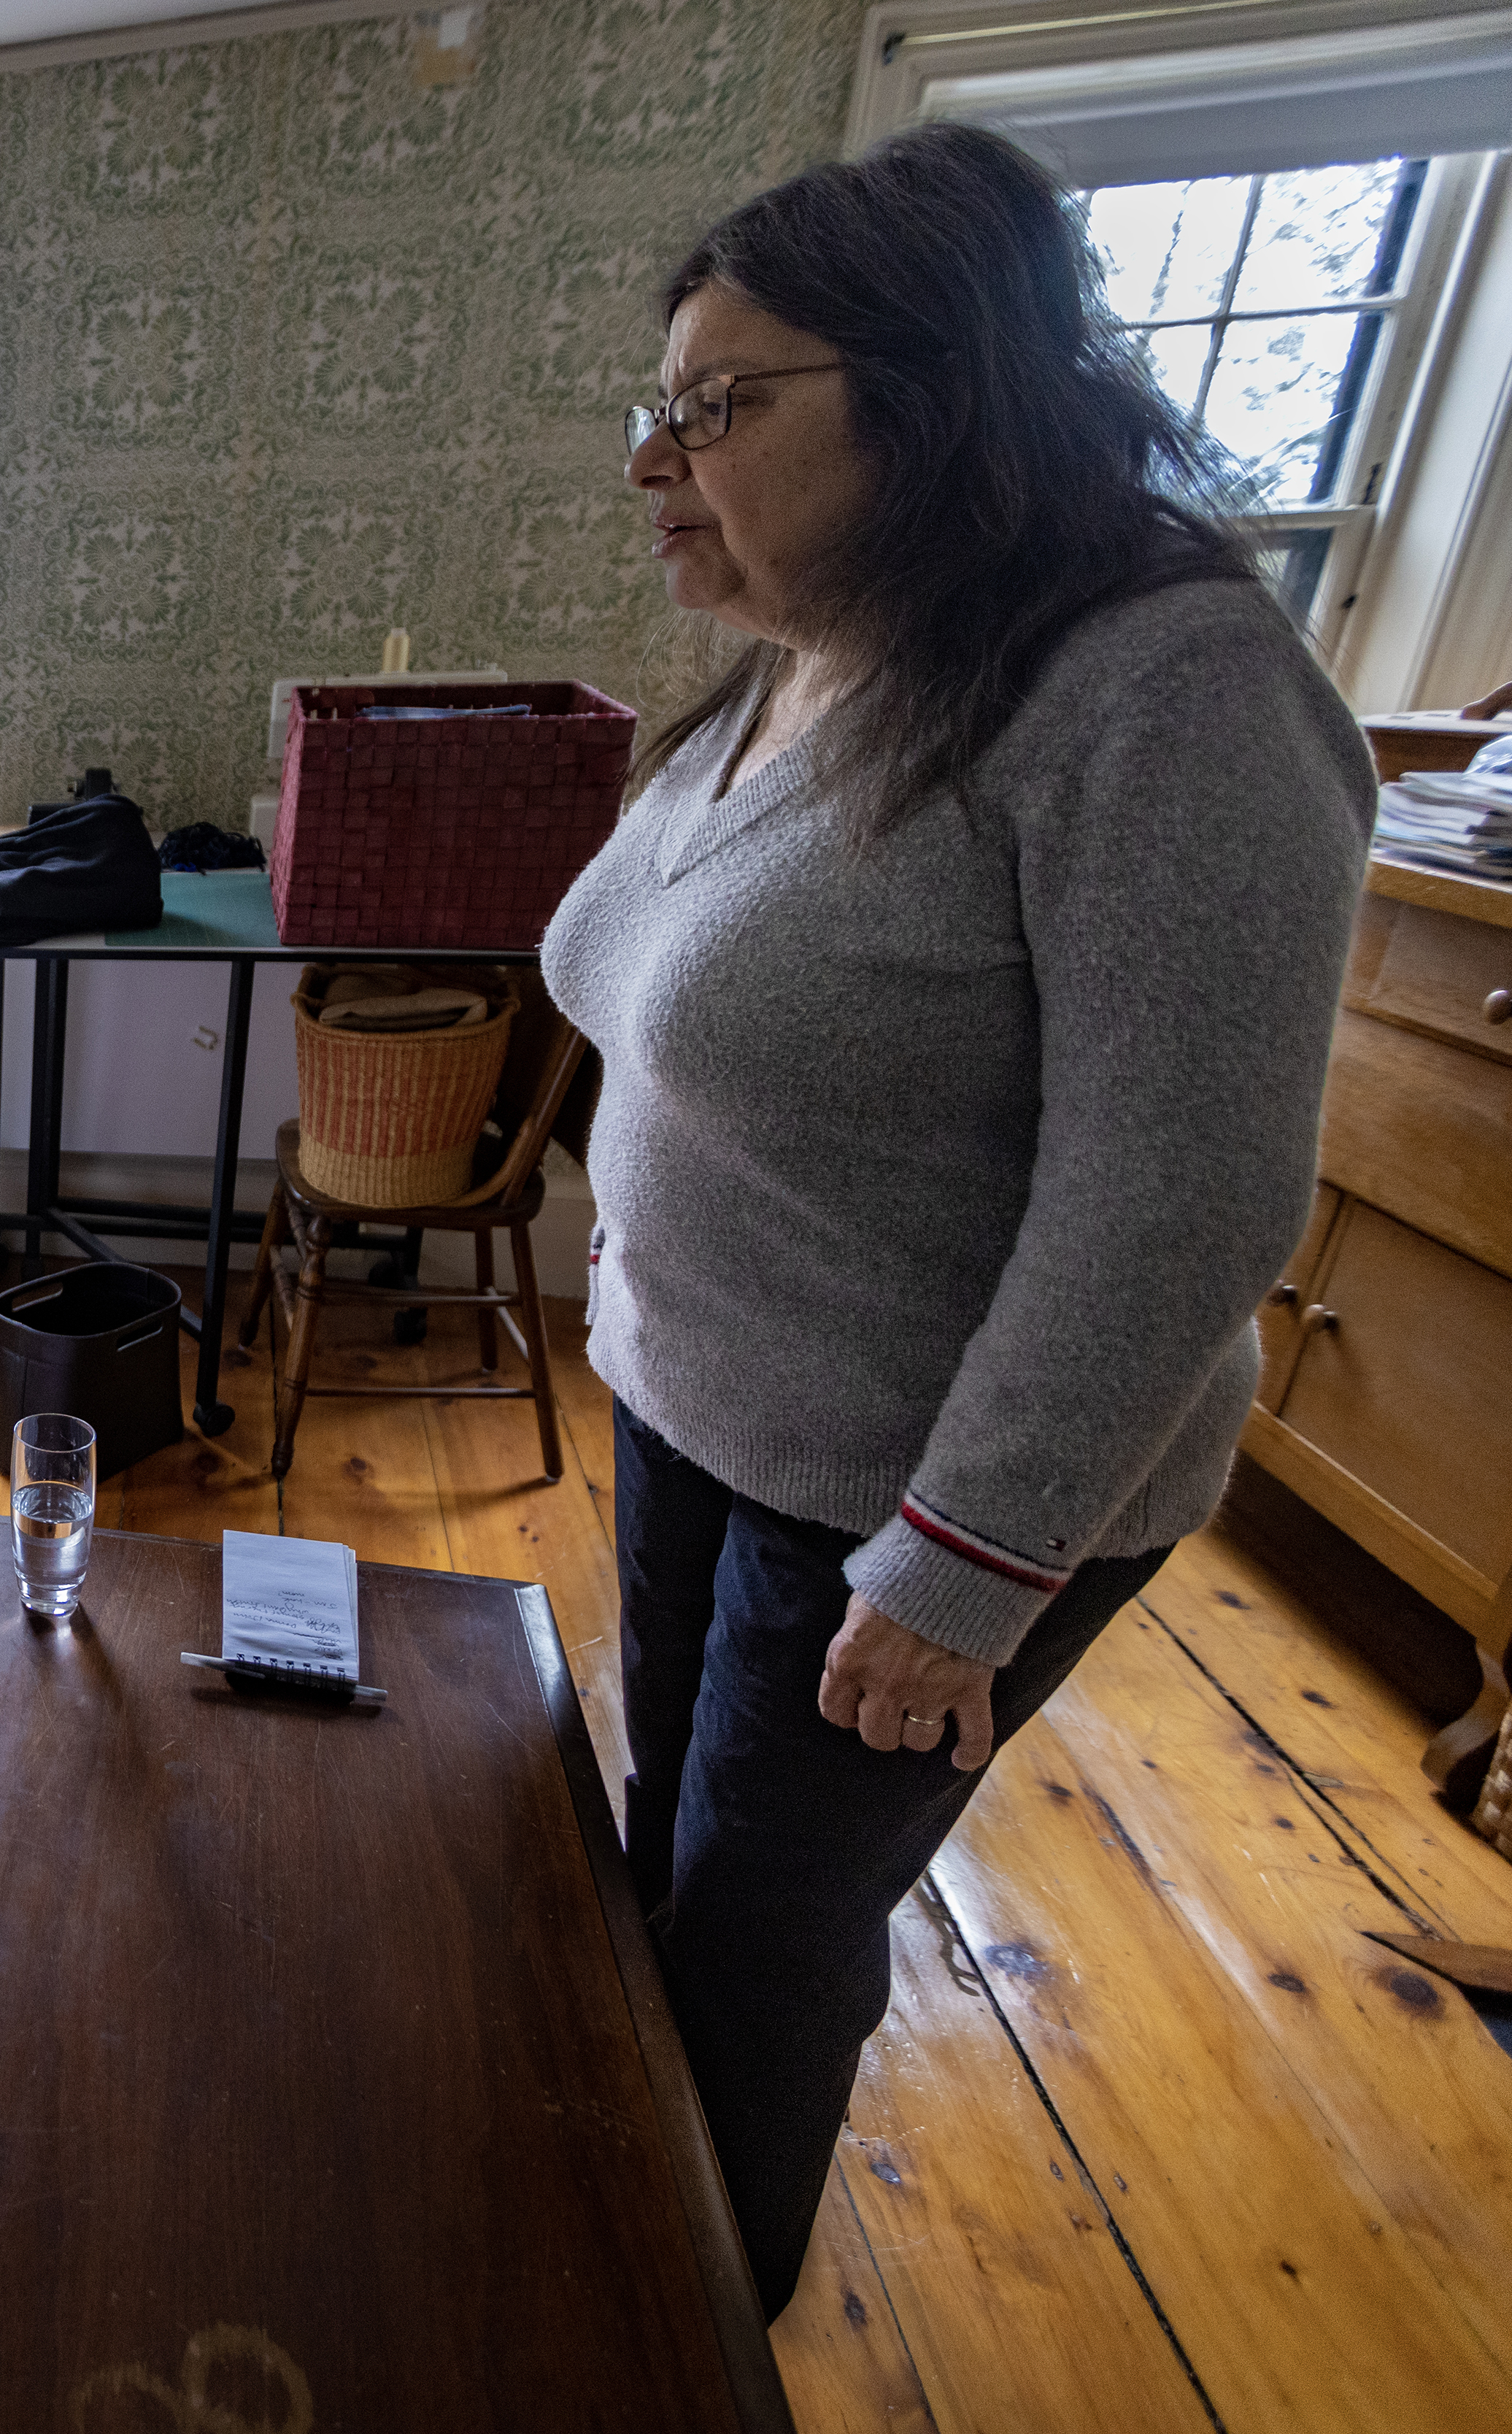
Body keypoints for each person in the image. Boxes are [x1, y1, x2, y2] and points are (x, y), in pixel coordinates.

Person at [541, 123, 1371, 2314]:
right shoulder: (805, 665)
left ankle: (678, 2332)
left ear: (941, 395)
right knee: (670, 1855)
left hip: (923, 1482)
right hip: (703, 1395)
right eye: (661, 408)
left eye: (722, 408)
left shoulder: (1163, 686)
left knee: (756, 1945)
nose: (658, 461)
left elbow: (1184, 1188)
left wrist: (966, 1566)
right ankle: (634, 2228)